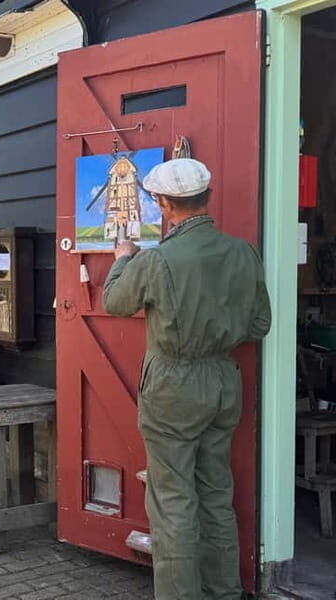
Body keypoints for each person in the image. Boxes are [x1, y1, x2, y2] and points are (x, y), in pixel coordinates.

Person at [102, 158, 272, 600]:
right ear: (205, 197)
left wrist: (122, 260)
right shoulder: (243, 253)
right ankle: (225, 592)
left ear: (163, 204)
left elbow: (116, 302)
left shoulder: (159, 260)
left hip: (173, 385)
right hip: (222, 381)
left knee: (173, 498)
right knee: (216, 491)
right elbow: (259, 325)